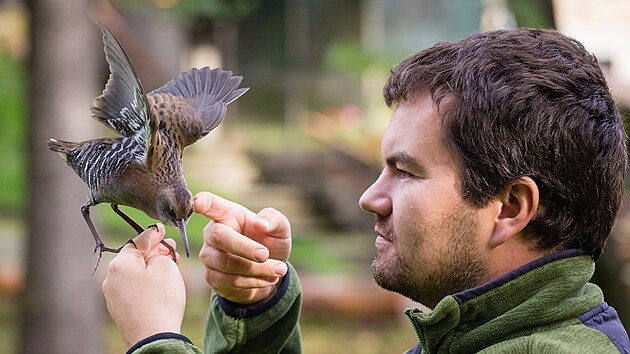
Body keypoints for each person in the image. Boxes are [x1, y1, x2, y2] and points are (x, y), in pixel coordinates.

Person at [101, 28, 630, 353]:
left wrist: (154, 337)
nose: (369, 198)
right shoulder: (478, 336)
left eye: (406, 172)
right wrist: (254, 308)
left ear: (510, 207)